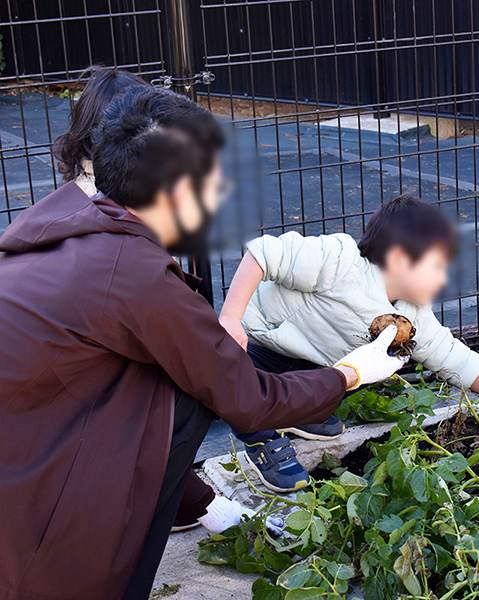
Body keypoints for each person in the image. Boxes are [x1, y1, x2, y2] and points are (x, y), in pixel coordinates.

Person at [0, 86, 406, 600]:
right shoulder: (134, 275)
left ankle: (186, 512)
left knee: (174, 378)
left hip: (24, 447)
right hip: (34, 521)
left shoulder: (61, 221)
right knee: (189, 396)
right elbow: (248, 399)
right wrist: (352, 372)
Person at [51, 65, 280, 535]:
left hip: (72, 392)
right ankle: (217, 476)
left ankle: (195, 491)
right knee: (188, 383)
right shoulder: (106, 217)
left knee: (192, 367)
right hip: (71, 414)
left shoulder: (78, 208)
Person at [217, 195, 479, 491]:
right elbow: (265, 254)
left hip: (310, 366)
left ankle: (299, 412)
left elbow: (456, 360)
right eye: (437, 267)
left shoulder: (412, 314)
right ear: (399, 259)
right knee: (243, 386)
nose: (444, 279)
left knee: (369, 366)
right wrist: (231, 317)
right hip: (261, 347)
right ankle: (260, 436)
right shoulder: (340, 261)